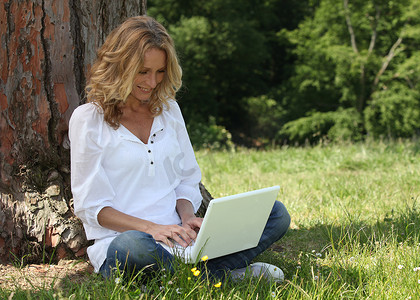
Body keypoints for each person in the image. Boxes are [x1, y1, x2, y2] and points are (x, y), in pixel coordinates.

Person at [69, 15, 290, 282]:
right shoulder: (88, 119)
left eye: (160, 72)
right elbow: (92, 208)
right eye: (143, 71)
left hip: (181, 242)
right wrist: (152, 229)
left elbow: (186, 179)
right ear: (120, 66)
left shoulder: (169, 110)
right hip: (126, 243)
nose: (152, 82)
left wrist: (186, 218)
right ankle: (219, 277)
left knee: (276, 213)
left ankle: (194, 277)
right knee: (132, 246)